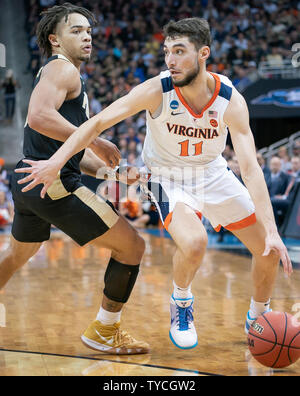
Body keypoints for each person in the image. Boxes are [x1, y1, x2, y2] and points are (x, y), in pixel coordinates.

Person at [16, 17, 292, 350]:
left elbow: (250, 168)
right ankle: (182, 302)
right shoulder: (156, 90)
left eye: (179, 51)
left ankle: (258, 317)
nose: (170, 60)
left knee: (268, 250)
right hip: (165, 176)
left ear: (203, 53)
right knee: (194, 243)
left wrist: (273, 230)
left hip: (213, 174)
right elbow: (100, 121)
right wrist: (56, 161)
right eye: (166, 51)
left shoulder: (230, 99)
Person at [0, 3, 149, 355]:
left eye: (88, 31)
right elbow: (37, 117)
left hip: (31, 180)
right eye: (76, 30)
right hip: (51, 185)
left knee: (17, 255)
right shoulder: (62, 69)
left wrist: (111, 171)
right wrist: (93, 135)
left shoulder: (61, 75)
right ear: (55, 39)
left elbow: (66, 150)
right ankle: (105, 331)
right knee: (133, 246)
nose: (86, 36)